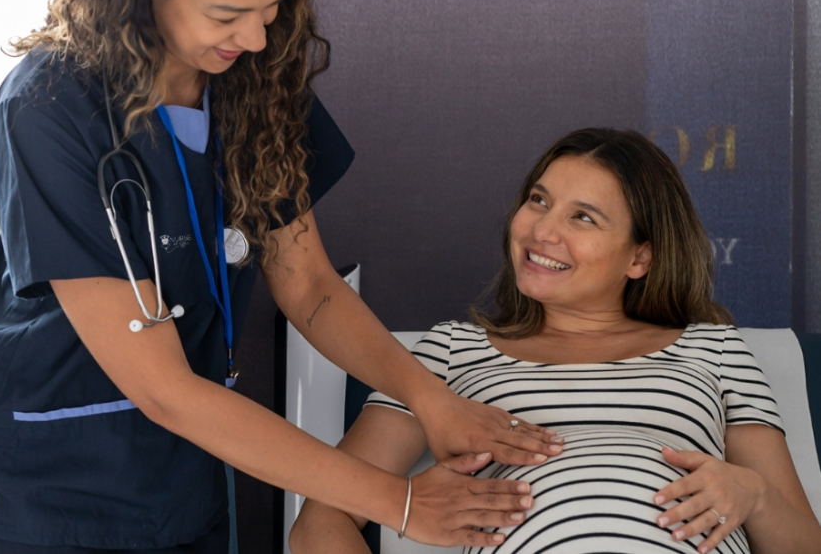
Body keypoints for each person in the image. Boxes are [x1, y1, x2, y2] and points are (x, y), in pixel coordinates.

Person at [0, 0, 565, 553]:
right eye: (227, 14)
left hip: (184, 483)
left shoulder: (252, 80)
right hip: (43, 495)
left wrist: (431, 398)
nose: (257, 38)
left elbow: (310, 286)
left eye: (271, 8)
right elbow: (165, 390)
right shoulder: (50, 107)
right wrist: (402, 501)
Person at [291, 128, 821, 554]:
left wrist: (754, 495)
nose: (542, 230)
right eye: (538, 200)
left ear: (640, 257)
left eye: (583, 217)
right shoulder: (451, 353)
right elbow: (321, 521)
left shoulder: (715, 351)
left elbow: (803, 545)